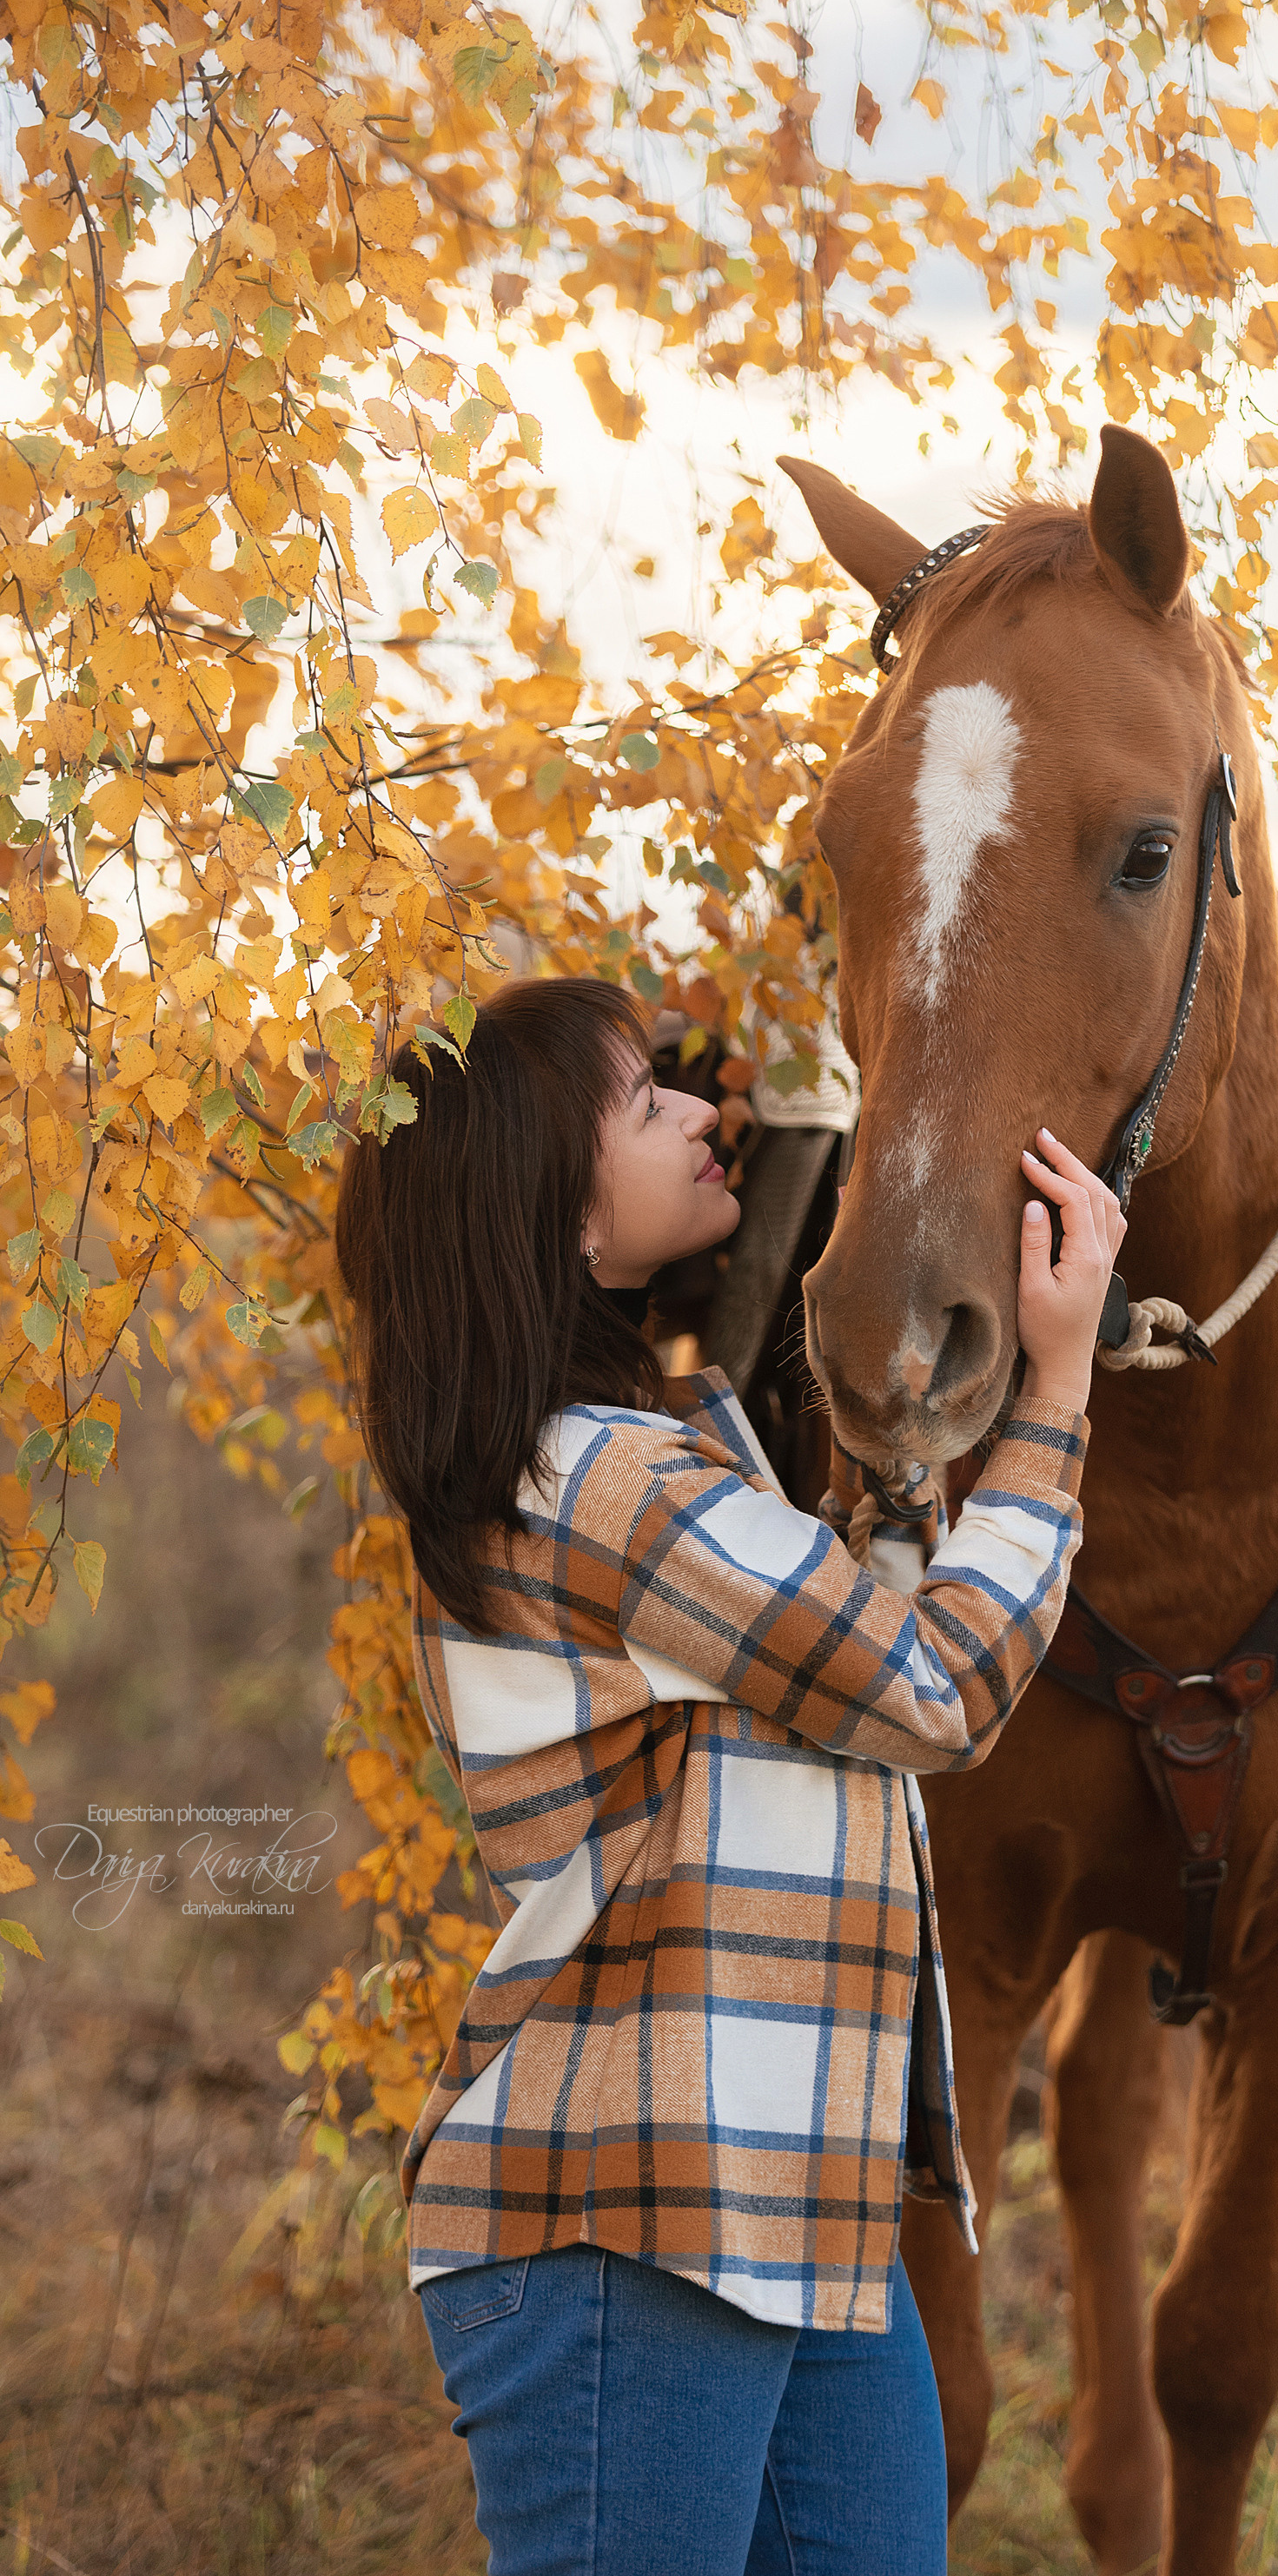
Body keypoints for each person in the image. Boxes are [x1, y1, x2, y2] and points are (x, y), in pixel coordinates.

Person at [334, 975, 1123, 2576]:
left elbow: (847, 1643)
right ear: (553, 1215)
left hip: (795, 2200)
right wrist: (1055, 1390)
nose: (706, 1111)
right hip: (631, 2215)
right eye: (646, 1104)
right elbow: (929, 1684)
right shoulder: (602, 1480)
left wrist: (910, 1428)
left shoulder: (651, 1459)